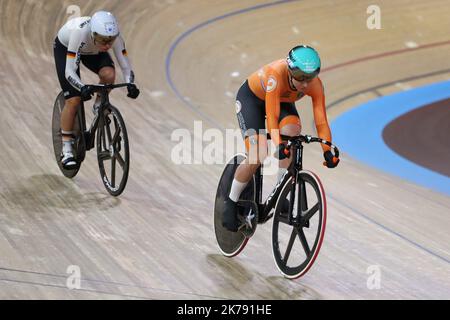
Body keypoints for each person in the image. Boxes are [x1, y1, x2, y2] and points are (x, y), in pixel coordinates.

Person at [223, 45, 339, 232]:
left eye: (309, 78)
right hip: (252, 100)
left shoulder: (315, 85)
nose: (305, 84)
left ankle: (281, 191)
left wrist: (327, 151)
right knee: (259, 154)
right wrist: (278, 145)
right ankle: (230, 201)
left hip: (282, 102)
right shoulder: (276, 74)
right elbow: (272, 115)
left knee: (293, 132)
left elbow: (321, 121)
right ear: (290, 70)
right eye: (300, 77)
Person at [53, 11, 140, 169]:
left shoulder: (113, 38)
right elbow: (69, 71)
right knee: (74, 100)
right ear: (93, 33)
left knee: (109, 75)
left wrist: (130, 84)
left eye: (110, 41)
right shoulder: (80, 33)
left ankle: (98, 104)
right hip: (67, 47)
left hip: (93, 50)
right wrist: (81, 87)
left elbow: (125, 66)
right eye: (103, 40)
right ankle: (66, 149)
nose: (107, 45)